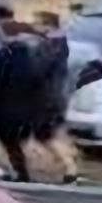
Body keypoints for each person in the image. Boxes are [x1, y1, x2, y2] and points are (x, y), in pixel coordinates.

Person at [0, 18, 43, 182]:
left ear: (4, 34)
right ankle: (21, 173)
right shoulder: (31, 57)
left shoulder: (1, 56)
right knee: (11, 142)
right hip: (20, 109)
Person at [27, 10, 81, 184]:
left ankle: (70, 165)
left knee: (42, 135)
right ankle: (69, 163)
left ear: (48, 25)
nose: (33, 26)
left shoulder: (51, 45)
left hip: (46, 98)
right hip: (51, 96)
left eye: (37, 23)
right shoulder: (56, 43)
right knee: (45, 135)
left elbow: (38, 69)